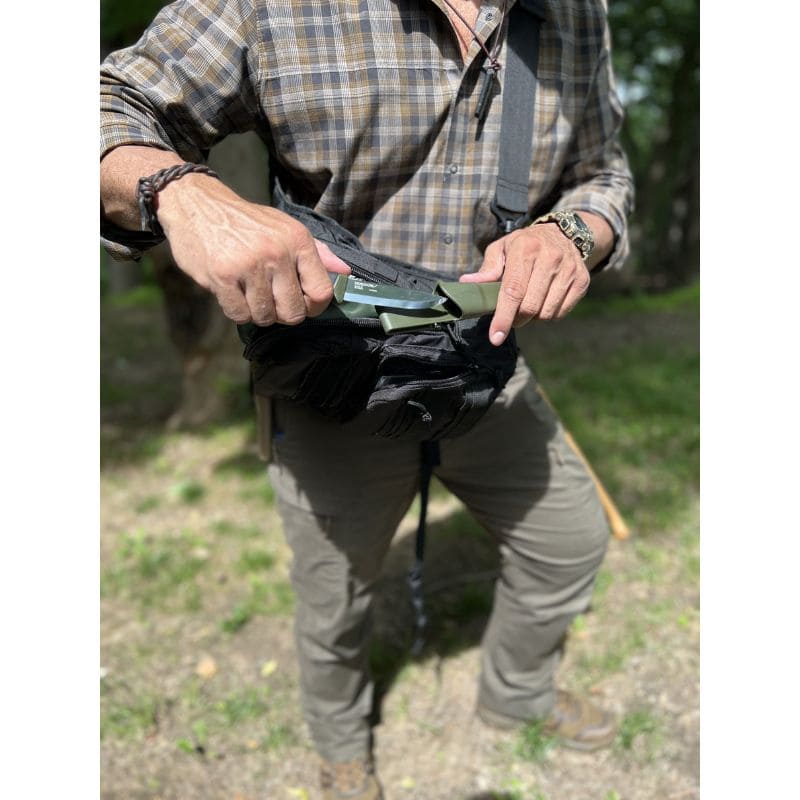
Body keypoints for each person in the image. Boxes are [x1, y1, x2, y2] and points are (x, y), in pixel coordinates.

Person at [100, 1, 634, 797]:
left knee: (571, 541)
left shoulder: (575, 15)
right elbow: (107, 103)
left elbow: (604, 172)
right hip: (333, 376)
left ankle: (517, 695)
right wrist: (184, 194)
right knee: (335, 598)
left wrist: (577, 234)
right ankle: (342, 747)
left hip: (483, 362)